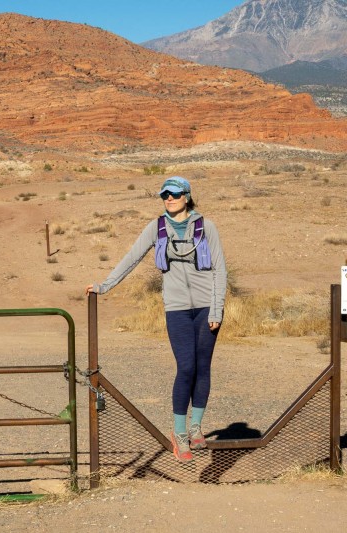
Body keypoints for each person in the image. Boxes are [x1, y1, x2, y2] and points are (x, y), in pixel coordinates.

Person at [86, 176, 227, 462]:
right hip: (176, 308)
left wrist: (216, 309)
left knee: (203, 368)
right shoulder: (157, 228)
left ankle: (197, 427)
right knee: (186, 367)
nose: (169, 198)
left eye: (175, 194)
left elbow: (219, 271)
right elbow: (131, 258)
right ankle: (179, 433)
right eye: (165, 194)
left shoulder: (206, 227)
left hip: (205, 308)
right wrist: (104, 285)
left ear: (187, 196)